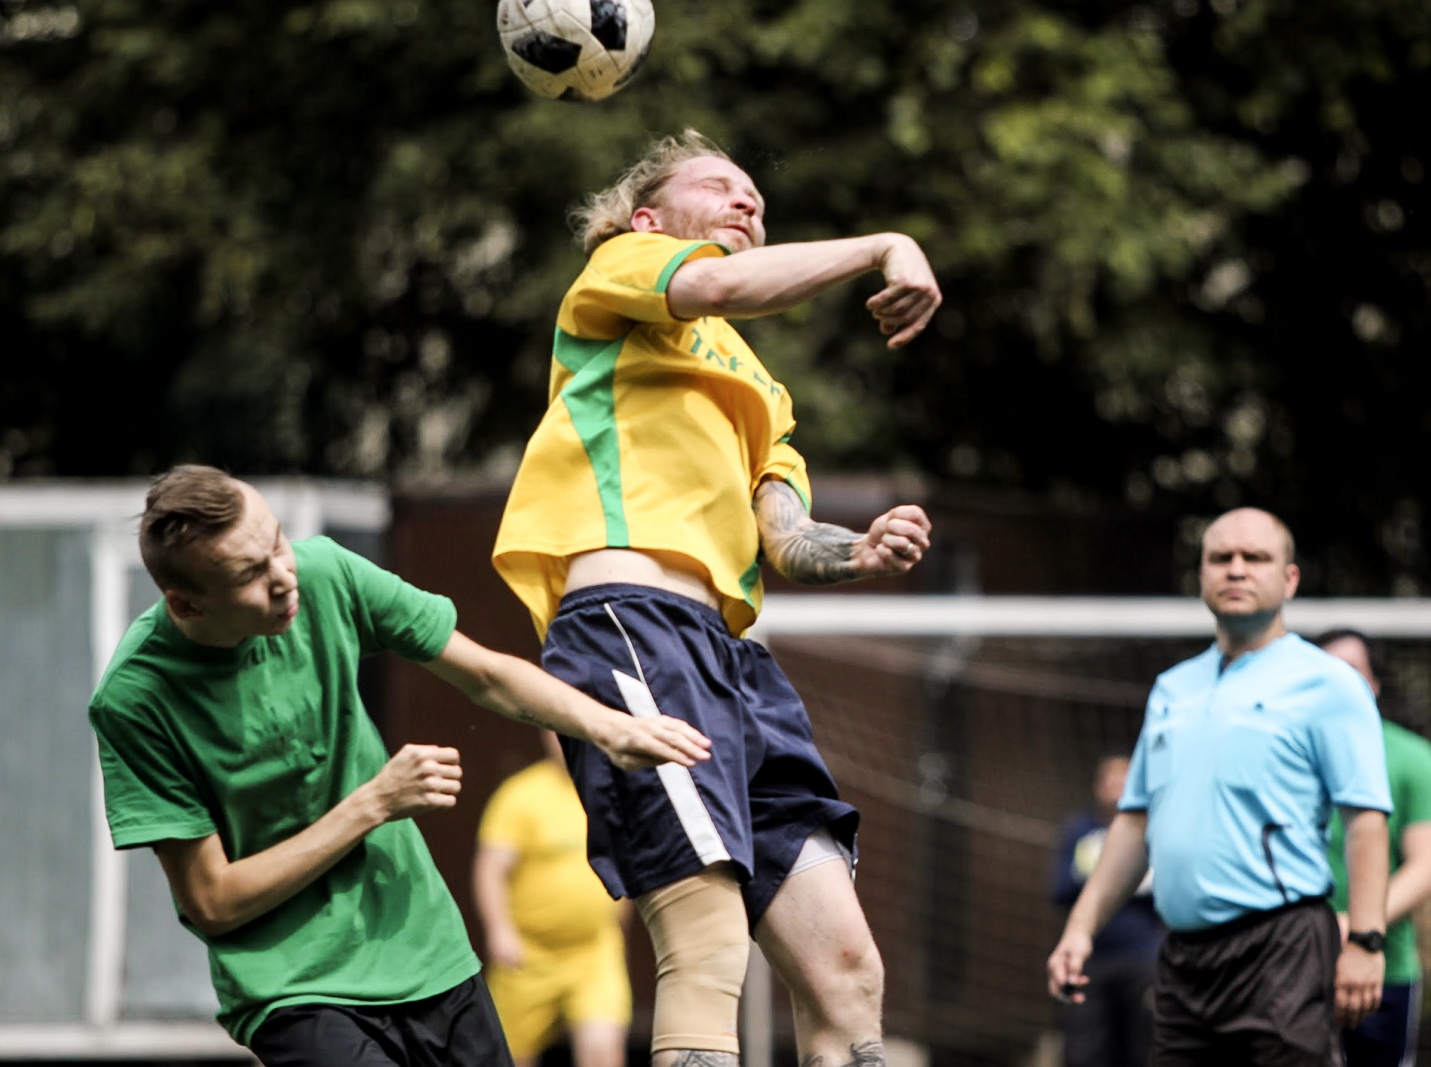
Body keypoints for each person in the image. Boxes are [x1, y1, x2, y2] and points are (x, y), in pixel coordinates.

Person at [492, 128, 941, 1067]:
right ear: (649, 217)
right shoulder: (622, 271)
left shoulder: (762, 386)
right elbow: (725, 285)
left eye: (756, 194)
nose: (749, 202)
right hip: (631, 629)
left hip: (734, 662)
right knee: (707, 939)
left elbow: (785, 535)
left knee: (849, 970)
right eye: (720, 186)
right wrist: (881, 245)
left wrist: (862, 552)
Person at [88, 464, 711, 1067]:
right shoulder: (136, 700)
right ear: (188, 605)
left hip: (425, 950)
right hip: (293, 986)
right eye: (252, 573)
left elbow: (488, 676)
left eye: (278, 542)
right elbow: (213, 901)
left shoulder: (325, 571)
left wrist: (611, 728)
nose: (284, 576)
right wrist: (375, 803)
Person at [1046, 507, 1394, 1066]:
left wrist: (1366, 942)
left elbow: (1366, 824)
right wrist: (1080, 929)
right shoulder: (1171, 689)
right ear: (1202, 574)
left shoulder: (1329, 685)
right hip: (1182, 956)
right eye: (1220, 558)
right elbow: (1135, 825)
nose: (1236, 569)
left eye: (1254, 557)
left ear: (1289, 579)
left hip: (1282, 947)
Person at [1314, 629, 1431, 1067]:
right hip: (1293, 966)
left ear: (1374, 684)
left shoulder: (1412, 757)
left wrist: (1355, 929)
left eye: (1352, 672)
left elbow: (1427, 869)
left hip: (1382, 968)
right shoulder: (1286, 755)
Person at [475, 729, 633, 1067]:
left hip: (593, 949)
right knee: (512, 1055)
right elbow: (491, 870)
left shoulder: (606, 791)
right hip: (529, 952)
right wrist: (500, 930)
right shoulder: (521, 795)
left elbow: (625, 861)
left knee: (603, 1048)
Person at [1050, 755, 1162, 1067]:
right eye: (1110, 782)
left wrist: (1134, 882)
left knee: (1141, 1045)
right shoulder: (1079, 829)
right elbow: (1058, 890)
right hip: (1091, 961)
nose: (1116, 790)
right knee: (1086, 1048)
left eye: (1123, 783)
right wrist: (1094, 881)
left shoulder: (1155, 831)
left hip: (1142, 959)